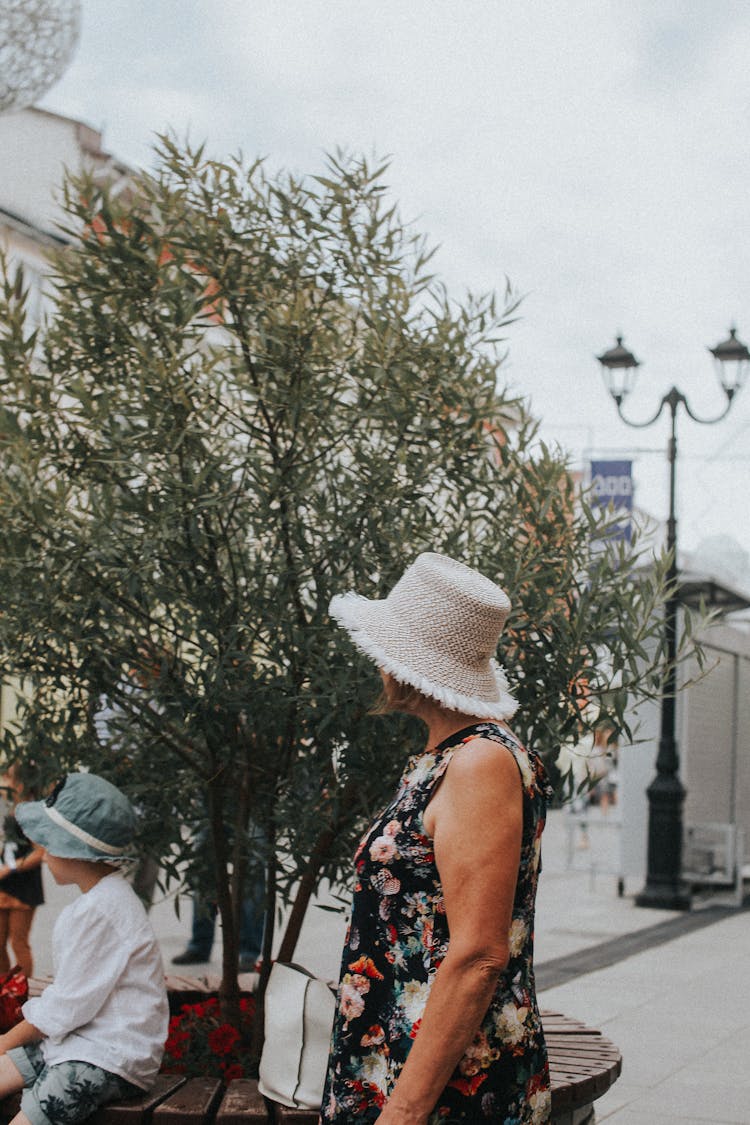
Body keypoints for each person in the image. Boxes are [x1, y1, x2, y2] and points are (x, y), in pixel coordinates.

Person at [322, 552, 553, 1124]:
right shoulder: (449, 757)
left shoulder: (479, 763)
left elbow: (478, 955)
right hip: (415, 1061)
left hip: (446, 1086)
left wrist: (402, 1112)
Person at [0, 772, 169, 1125]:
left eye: (50, 845)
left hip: (109, 1055)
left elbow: (65, 1008)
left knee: (27, 1118)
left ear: (78, 853)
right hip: (82, 1040)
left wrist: (4, 1041)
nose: (43, 856)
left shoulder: (101, 911)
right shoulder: (102, 899)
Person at [0, 767, 44, 979]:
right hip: (3, 885)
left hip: (23, 886)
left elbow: (40, 852)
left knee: (19, 942)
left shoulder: (31, 814)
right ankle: (4, 990)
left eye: (7, 777)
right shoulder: (8, 811)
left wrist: (12, 867)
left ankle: (22, 991)